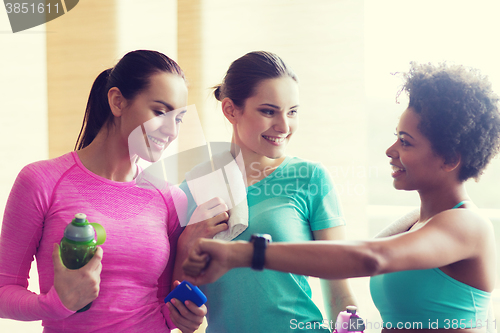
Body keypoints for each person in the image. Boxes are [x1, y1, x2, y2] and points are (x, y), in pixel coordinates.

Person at [183, 62, 500, 332]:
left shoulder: (468, 225)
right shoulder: (412, 224)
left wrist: (241, 254)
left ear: (449, 159)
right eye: (396, 137)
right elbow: (340, 260)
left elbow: (368, 257)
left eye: (405, 142)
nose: (390, 151)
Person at [0, 50, 206, 333]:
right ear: (117, 101)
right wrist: (54, 305)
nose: (171, 131)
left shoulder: (170, 198)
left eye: (179, 119)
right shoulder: (41, 181)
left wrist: (182, 316)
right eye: (160, 112)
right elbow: (4, 290)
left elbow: (161, 302)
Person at [174, 51, 357, 333]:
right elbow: (177, 296)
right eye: (269, 111)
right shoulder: (194, 187)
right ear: (231, 110)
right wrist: (183, 315)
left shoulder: (310, 177)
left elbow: (338, 290)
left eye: (292, 111)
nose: (284, 126)